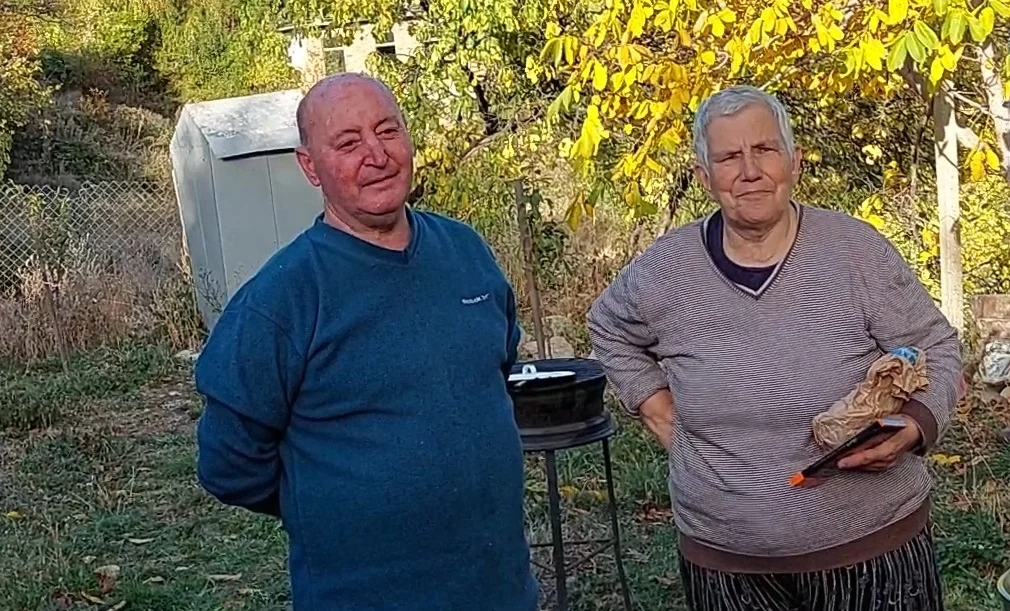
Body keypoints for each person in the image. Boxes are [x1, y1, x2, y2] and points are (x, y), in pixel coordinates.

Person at [587, 85, 962, 611]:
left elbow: (936, 346)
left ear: (795, 162)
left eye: (764, 149)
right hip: (726, 563)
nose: (750, 171)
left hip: (872, 548)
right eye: (729, 157)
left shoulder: (855, 251)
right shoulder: (666, 269)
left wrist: (917, 425)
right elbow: (607, 326)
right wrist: (659, 411)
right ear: (704, 176)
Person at [193, 72, 538, 611]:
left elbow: (495, 373)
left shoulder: (465, 252)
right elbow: (229, 465)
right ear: (310, 167)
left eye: (387, 131)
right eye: (348, 143)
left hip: (499, 590)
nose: (376, 155)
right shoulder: (284, 298)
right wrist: (339, 500)